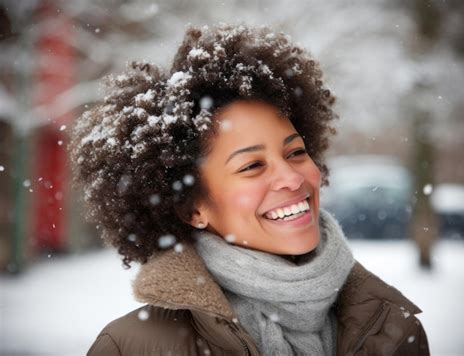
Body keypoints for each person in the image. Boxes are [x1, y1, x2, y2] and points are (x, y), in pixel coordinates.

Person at [70, 23, 430, 356]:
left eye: (296, 152)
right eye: (252, 166)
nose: (292, 178)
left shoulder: (394, 330)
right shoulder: (132, 347)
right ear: (192, 208)